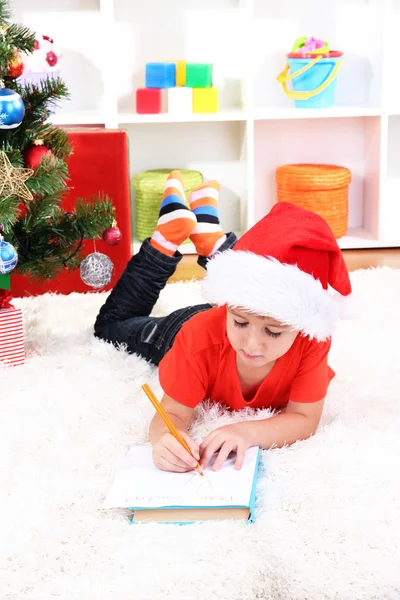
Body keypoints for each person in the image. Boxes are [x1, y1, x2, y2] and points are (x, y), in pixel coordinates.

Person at [94, 170, 353, 474]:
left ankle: (210, 240)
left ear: (302, 325)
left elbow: (305, 419)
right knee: (110, 327)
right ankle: (163, 241)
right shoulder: (197, 338)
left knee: (250, 295)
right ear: (229, 306)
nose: (252, 345)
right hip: (179, 330)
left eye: (273, 331)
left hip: (225, 317)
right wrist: (166, 438)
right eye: (241, 324)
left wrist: (245, 432)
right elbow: (173, 413)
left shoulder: (313, 338)